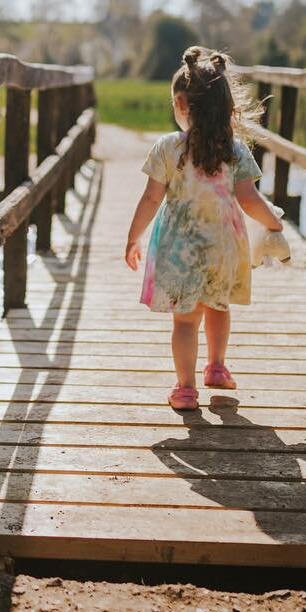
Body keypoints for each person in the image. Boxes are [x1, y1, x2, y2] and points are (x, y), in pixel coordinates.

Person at [123, 46, 286, 411]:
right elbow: (249, 200)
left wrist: (134, 236)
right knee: (218, 306)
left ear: (181, 103)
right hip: (224, 246)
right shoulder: (237, 150)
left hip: (180, 250)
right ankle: (216, 366)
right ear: (228, 109)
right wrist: (273, 223)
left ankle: (185, 389)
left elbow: (150, 199)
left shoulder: (167, 147)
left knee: (185, 322)